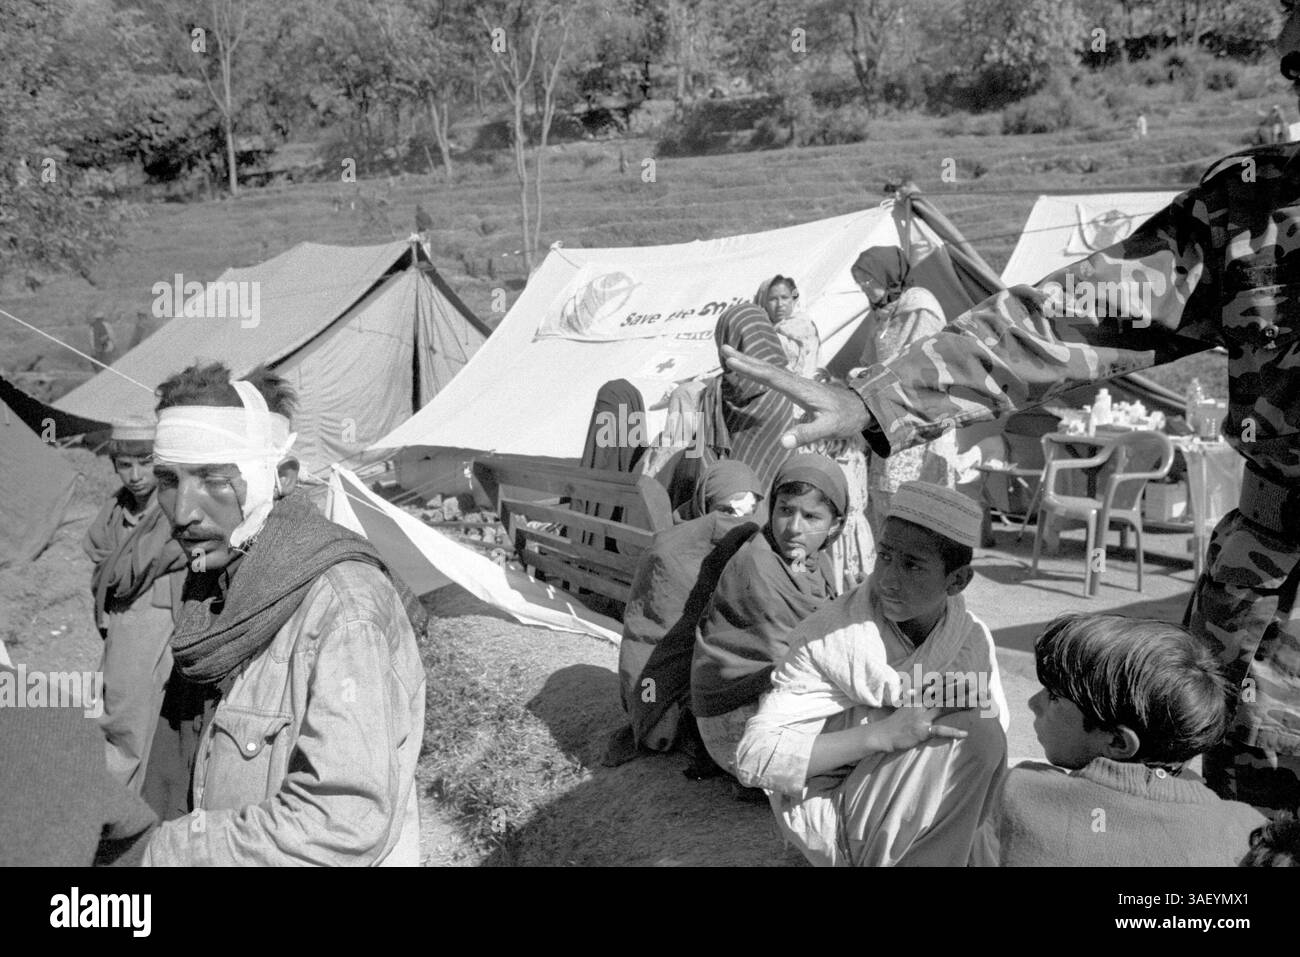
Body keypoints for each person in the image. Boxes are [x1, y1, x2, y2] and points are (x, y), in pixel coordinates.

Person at [721, 4, 1300, 815]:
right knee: (1240, 824)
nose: (1280, 50)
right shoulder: (1256, 209)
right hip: (1262, 608)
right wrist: (876, 397)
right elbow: (1068, 316)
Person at [140, 362, 426, 866]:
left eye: (214, 479)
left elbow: (337, 826)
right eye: (169, 479)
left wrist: (160, 852)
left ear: (282, 478)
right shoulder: (215, 587)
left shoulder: (343, 610)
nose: (183, 510)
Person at [735, 482, 1008, 866]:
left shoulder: (969, 639)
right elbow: (755, 759)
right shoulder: (830, 637)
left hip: (919, 805)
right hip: (834, 809)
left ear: (958, 581)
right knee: (960, 728)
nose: (887, 580)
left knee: (980, 729)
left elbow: (989, 745)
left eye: (912, 565)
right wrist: (883, 735)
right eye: (885, 556)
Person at [991, 614, 1266, 866]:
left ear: (1118, 742)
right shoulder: (1246, 831)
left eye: (1053, 697)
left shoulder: (1022, 794)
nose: (1032, 703)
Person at [691, 455, 845, 783]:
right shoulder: (758, 566)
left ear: (836, 525)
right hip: (737, 723)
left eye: (811, 516)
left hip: (773, 704)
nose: (793, 528)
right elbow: (794, 667)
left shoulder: (816, 562)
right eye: (785, 510)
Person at [605, 461, 766, 766]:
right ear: (705, 503)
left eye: (748, 514)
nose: (736, 523)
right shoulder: (669, 552)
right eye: (726, 512)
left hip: (707, 677)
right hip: (655, 688)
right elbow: (645, 638)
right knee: (665, 714)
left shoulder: (750, 555)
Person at [83, 419, 187, 799]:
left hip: (167, 620)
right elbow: (106, 564)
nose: (136, 475)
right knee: (116, 715)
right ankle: (111, 805)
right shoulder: (114, 512)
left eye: (145, 463)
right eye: (125, 465)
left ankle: (123, 806)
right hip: (126, 627)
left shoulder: (178, 506)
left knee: (144, 724)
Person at [851, 246, 957, 539]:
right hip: (889, 413)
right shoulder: (884, 315)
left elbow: (916, 364)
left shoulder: (920, 309)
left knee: (915, 506)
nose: (864, 287)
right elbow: (869, 361)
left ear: (888, 276)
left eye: (869, 280)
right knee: (887, 500)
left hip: (919, 414)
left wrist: (870, 375)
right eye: (860, 281)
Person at [804, 369, 873, 590]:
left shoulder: (810, 453)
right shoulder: (856, 455)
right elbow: (862, 498)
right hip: (849, 531)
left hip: (828, 529)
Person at [756, 275, 819, 379]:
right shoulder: (756, 329)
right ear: (763, 302)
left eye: (785, 298)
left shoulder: (804, 325)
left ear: (793, 300)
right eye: (773, 299)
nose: (780, 304)